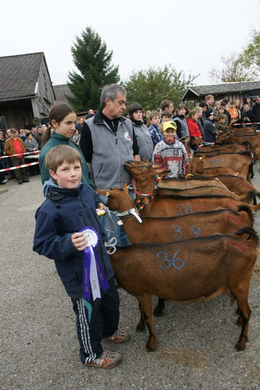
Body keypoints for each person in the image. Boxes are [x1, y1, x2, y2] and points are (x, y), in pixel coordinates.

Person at [33, 145, 129, 369]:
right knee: (88, 313)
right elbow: (41, 244)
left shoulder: (86, 191)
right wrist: (66, 243)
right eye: (65, 169)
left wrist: (103, 237)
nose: (74, 173)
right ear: (53, 174)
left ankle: (108, 331)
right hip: (80, 276)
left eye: (76, 167)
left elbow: (96, 221)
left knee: (110, 302)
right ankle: (91, 354)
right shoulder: (49, 209)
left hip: (102, 265)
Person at [79, 84, 140, 246]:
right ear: (108, 101)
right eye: (121, 102)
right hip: (105, 195)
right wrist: (90, 190)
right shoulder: (89, 127)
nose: (124, 107)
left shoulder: (128, 124)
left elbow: (136, 152)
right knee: (112, 238)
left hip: (128, 192)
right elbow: (85, 162)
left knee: (131, 235)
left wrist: (137, 176)